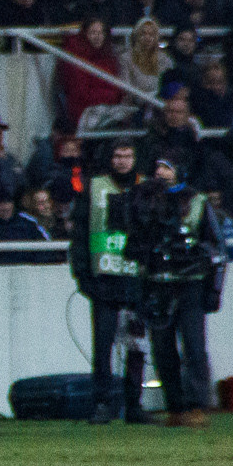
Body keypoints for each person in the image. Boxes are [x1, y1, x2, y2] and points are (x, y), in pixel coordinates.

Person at [129, 155, 227, 427]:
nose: (161, 172)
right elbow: (135, 242)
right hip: (157, 282)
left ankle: (197, 405)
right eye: (158, 166)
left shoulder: (197, 202)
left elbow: (216, 247)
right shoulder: (143, 200)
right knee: (162, 348)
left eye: (167, 167)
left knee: (194, 346)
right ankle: (175, 406)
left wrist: (214, 288)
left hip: (190, 284)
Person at [68, 139, 151, 425]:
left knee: (137, 346)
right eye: (117, 155)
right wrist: (81, 273)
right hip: (103, 278)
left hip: (137, 279)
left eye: (128, 156)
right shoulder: (93, 186)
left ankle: (134, 405)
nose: (122, 161)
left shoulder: (147, 186)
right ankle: (103, 403)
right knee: (103, 346)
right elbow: (79, 233)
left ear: (135, 159)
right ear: (110, 159)